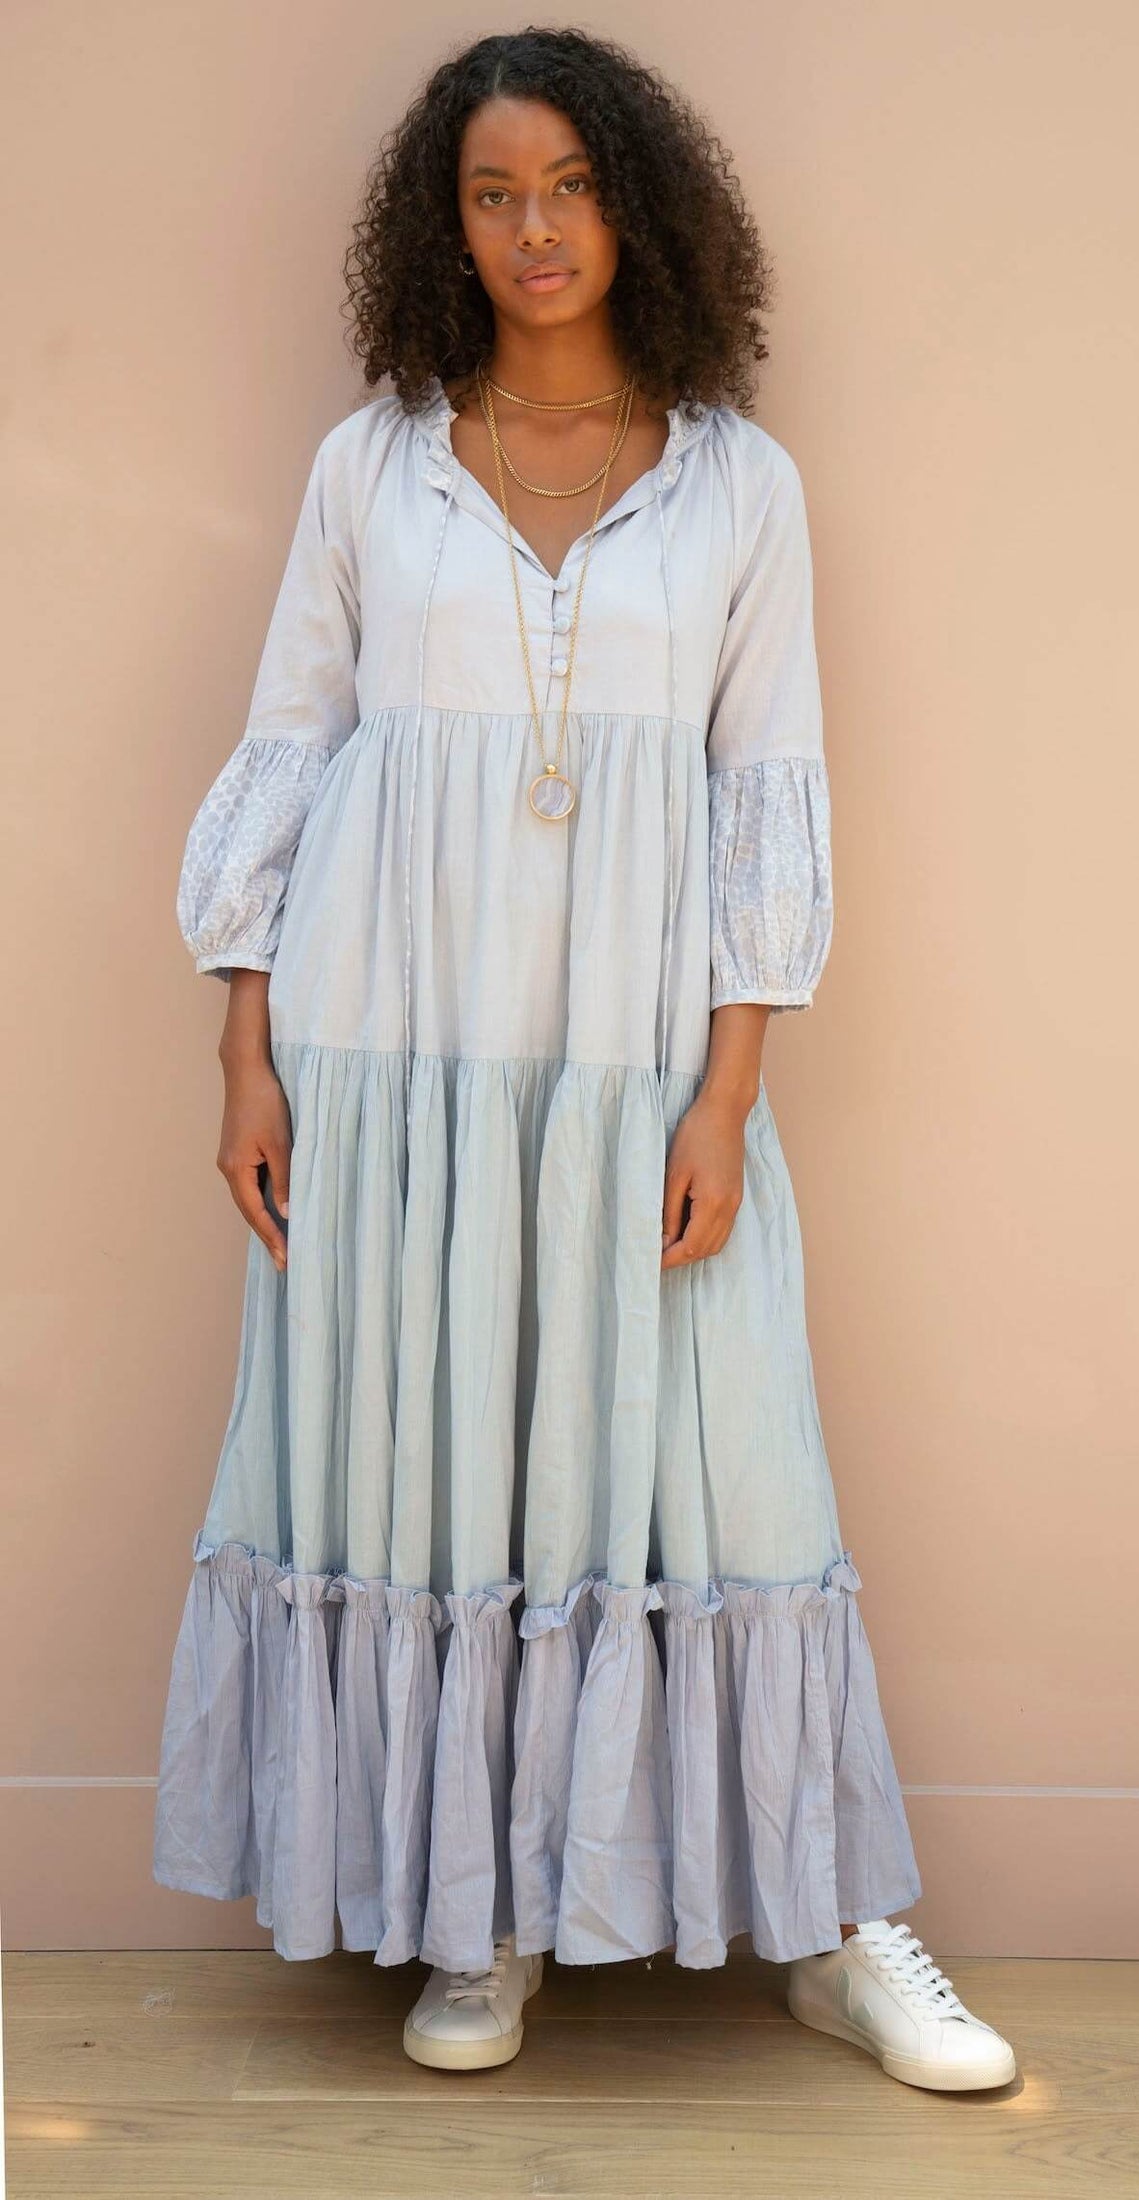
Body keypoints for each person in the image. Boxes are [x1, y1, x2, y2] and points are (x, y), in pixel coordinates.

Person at [151, 25, 1017, 2096]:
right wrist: (244, 1052)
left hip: (637, 1061)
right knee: (437, 1459)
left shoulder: (738, 483)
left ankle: (829, 1925)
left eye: (568, 186)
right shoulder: (373, 465)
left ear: (636, 205)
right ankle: (481, 1917)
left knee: (719, 1451)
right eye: (491, 193)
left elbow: (765, 790)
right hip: (390, 1056)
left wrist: (727, 1090)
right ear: (443, 227)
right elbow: (290, 750)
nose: (533, 228)